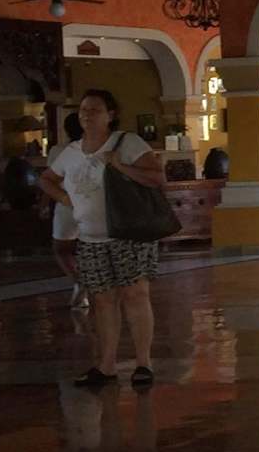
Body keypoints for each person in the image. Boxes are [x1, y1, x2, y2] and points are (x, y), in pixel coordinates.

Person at [40, 89, 166, 388]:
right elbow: (47, 179)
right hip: (90, 237)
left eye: (95, 109)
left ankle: (143, 363)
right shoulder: (71, 152)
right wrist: (67, 200)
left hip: (128, 233)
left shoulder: (127, 143)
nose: (87, 115)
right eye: (84, 109)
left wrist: (120, 166)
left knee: (135, 295)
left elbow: (157, 177)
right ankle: (107, 365)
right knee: (102, 300)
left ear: (111, 114)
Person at [49, 112, 87, 309]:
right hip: (93, 203)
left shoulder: (59, 150)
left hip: (66, 203)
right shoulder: (98, 148)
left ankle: (78, 279)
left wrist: (45, 204)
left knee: (61, 248)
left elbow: (50, 180)